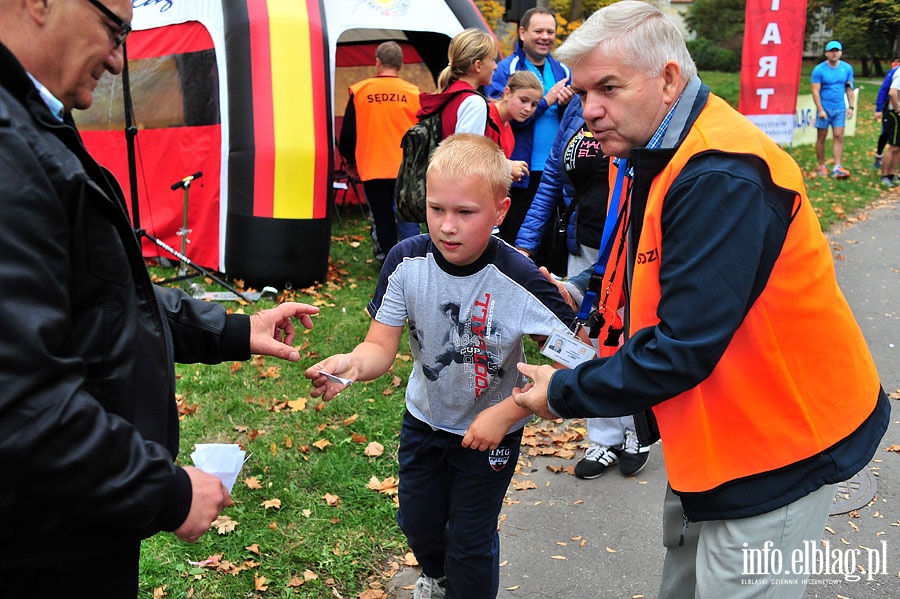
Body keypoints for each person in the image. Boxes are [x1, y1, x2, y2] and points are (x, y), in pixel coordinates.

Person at [510, 3, 890, 598]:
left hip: (775, 450)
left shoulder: (718, 173)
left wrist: (561, 393)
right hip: (717, 442)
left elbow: (683, 345)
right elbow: (654, 266)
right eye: (582, 92)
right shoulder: (659, 145)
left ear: (667, 78)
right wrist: (587, 295)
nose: (589, 111)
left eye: (608, 88)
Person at [0, 1, 320, 596]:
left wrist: (231, 330)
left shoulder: (37, 123)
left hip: (71, 522)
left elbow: (105, 297)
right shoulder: (9, 149)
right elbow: (19, 399)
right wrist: (163, 491)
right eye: (112, 29)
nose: (121, 59)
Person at [305, 134, 586, 599]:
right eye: (436, 209)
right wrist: (353, 364)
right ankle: (436, 577)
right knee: (419, 524)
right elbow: (380, 346)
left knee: (470, 540)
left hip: (491, 431)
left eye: (465, 213)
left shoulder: (521, 280)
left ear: (500, 211)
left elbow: (575, 368)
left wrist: (508, 413)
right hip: (425, 421)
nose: (447, 226)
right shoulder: (405, 262)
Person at [515, 95, 650, 478]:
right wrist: (525, 244)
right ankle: (603, 437)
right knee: (587, 343)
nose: (593, 101)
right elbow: (552, 182)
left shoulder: (638, 106)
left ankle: (636, 430)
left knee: (629, 340)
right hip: (585, 247)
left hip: (634, 246)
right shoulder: (574, 109)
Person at [485, 7, 574, 246]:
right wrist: (547, 101)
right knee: (515, 237)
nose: (545, 36)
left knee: (547, 239)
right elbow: (504, 117)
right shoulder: (506, 69)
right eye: (539, 31)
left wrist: (565, 105)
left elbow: (575, 118)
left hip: (554, 168)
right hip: (519, 169)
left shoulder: (564, 70)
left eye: (550, 31)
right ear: (523, 33)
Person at [339, 41, 421, 262]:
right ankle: (413, 260)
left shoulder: (360, 91)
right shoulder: (413, 93)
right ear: (401, 65)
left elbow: (348, 133)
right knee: (408, 217)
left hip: (373, 166)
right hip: (405, 167)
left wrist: (349, 161)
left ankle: (389, 261)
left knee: (382, 217)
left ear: (377, 62)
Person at [486, 70, 542, 182]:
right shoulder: (487, 116)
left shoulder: (507, 125)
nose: (528, 109)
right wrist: (508, 167)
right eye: (523, 100)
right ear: (507, 93)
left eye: (534, 104)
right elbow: (472, 160)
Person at [811, 40, 855, 178]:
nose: (834, 53)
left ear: (841, 53)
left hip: (839, 107)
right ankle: (822, 166)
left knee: (838, 135)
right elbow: (815, 91)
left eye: (836, 51)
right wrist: (820, 109)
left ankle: (837, 166)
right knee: (822, 136)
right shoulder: (819, 70)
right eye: (831, 51)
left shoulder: (847, 68)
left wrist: (851, 106)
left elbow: (849, 88)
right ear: (826, 53)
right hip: (824, 107)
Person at [871, 58, 899, 171]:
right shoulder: (895, 72)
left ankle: (892, 170)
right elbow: (885, 90)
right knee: (886, 135)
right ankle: (879, 156)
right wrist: (878, 109)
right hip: (891, 110)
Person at [878, 63, 900, 188]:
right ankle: (884, 175)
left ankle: (892, 174)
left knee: (899, 146)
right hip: (894, 113)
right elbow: (892, 92)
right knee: (893, 146)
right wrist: (897, 110)